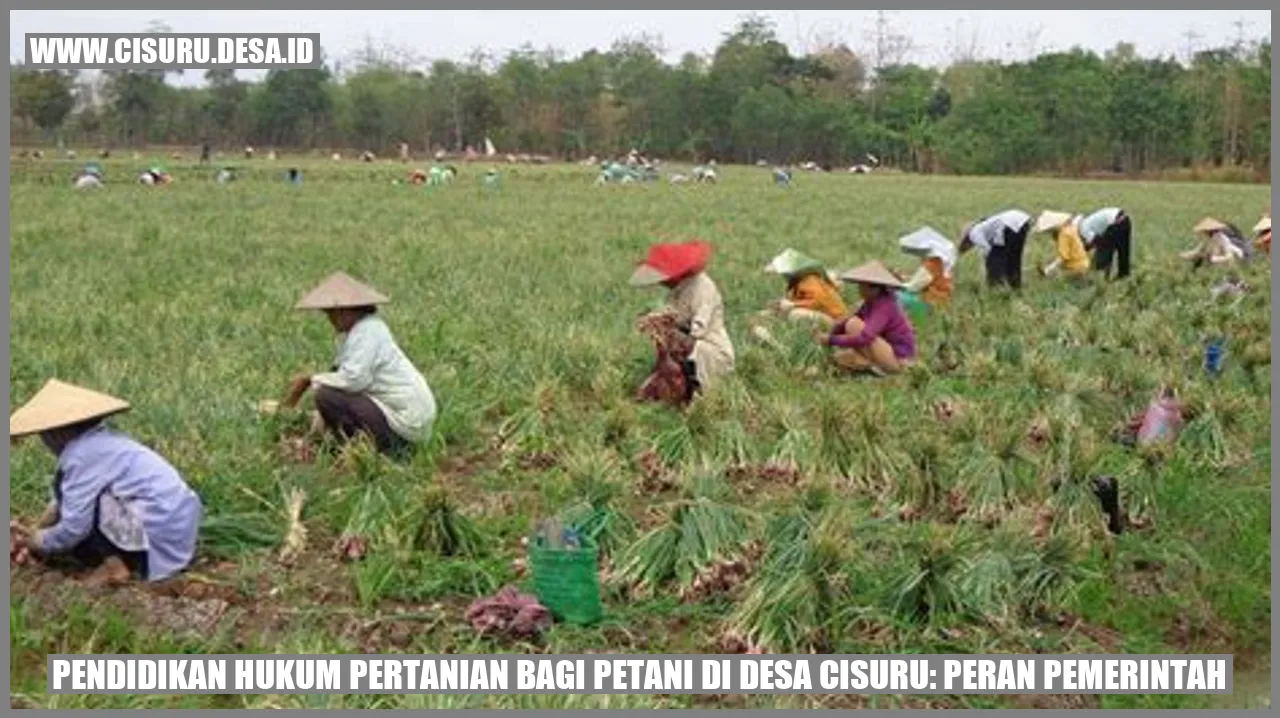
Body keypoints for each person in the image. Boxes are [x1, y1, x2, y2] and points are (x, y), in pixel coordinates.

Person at [8, 379, 203, 585]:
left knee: (82, 514)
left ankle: (113, 567)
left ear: (57, 432)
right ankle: (121, 559)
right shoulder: (101, 443)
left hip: (156, 529)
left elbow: (74, 526)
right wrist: (37, 528)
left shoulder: (82, 456)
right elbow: (60, 502)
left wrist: (36, 541)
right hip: (173, 526)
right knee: (74, 507)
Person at [284, 272, 438, 457]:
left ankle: (364, 449)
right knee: (329, 392)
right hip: (408, 421)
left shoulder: (368, 333)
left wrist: (310, 380)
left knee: (327, 395)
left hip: (406, 426)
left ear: (345, 311)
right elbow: (340, 373)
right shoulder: (364, 330)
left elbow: (354, 381)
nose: (331, 319)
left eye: (332, 314)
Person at [630, 241, 735, 397]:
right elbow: (671, 314)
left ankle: (689, 386)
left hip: (712, 353)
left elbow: (696, 331)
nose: (660, 283)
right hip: (692, 351)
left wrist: (666, 328)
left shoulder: (702, 288)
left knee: (671, 337)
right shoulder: (679, 290)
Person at [821, 261, 917, 376]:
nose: (859, 288)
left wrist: (831, 340)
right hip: (884, 351)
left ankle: (876, 367)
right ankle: (869, 366)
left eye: (862, 285)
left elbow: (864, 338)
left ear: (874, 288)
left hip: (899, 360)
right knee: (839, 358)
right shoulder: (870, 302)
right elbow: (846, 323)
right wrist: (829, 333)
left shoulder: (884, 305)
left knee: (853, 325)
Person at [959, 209, 1032, 289]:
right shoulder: (986, 226)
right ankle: (1015, 286)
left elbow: (986, 248)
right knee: (1014, 258)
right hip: (1023, 221)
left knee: (995, 260)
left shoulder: (973, 232)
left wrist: (987, 263)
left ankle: (996, 288)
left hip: (1008, 224)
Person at [897, 226, 956, 306]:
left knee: (893, 296)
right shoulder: (939, 260)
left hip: (932, 300)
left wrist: (896, 285)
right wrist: (905, 278)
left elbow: (914, 286)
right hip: (941, 298)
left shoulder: (933, 262)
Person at [1078, 207, 1132, 280]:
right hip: (1125, 220)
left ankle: (1100, 279)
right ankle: (1123, 275)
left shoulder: (1083, 229)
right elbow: (1092, 242)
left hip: (1115, 223)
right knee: (1123, 251)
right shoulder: (1088, 222)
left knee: (1103, 252)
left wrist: (1083, 252)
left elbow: (1096, 241)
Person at [1034, 211, 1090, 279]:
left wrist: (1048, 270)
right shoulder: (1070, 228)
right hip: (1084, 264)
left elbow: (1063, 258)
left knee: (1056, 278)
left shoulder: (1064, 235)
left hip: (1076, 267)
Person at [1180, 217, 1252, 268]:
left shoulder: (1222, 239)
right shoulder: (1208, 239)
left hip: (1235, 262)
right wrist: (1183, 256)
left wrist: (1213, 259)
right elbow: (1198, 251)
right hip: (1220, 262)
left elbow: (1230, 257)